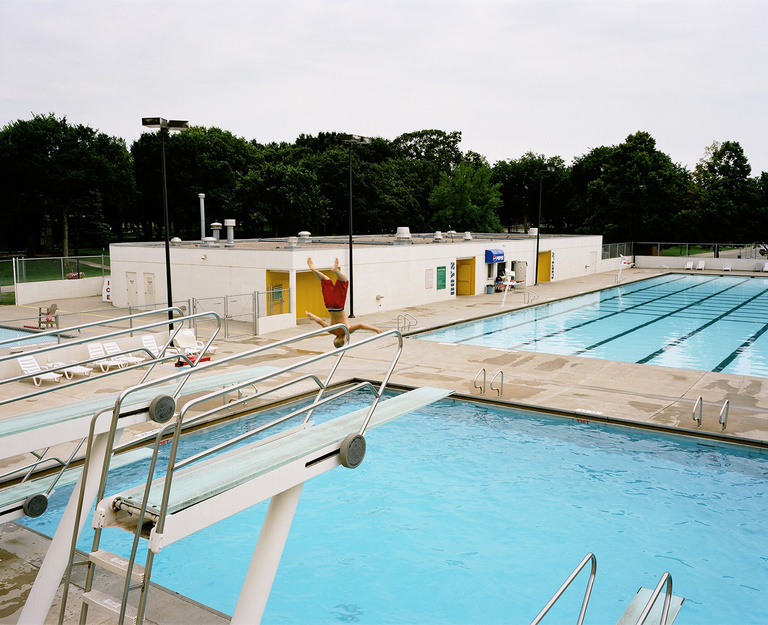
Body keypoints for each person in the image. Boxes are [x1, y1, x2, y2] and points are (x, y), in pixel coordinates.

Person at [306, 257, 382, 347]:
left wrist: (376, 329)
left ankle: (336, 271)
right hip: (329, 305)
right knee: (325, 280)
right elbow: (319, 321)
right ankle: (314, 270)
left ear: (344, 340)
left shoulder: (346, 330)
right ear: (334, 339)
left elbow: (361, 325)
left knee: (344, 281)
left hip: (338, 306)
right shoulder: (331, 331)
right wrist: (310, 315)